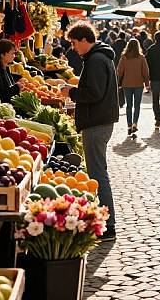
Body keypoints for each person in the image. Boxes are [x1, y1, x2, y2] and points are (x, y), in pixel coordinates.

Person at [59, 21, 119, 241]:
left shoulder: (96, 60)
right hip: (100, 121)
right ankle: (104, 220)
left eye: (74, 43)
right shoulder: (99, 58)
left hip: (96, 123)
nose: (74, 48)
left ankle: (108, 225)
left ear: (85, 40)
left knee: (98, 174)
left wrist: (71, 92)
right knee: (98, 171)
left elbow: (93, 93)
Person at [117, 39, 150, 136]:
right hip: (138, 84)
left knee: (129, 105)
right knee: (137, 105)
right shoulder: (141, 58)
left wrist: (118, 82)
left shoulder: (124, 57)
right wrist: (147, 83)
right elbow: (145, 72)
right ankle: (135, 123)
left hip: (126, 84)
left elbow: (119, 71)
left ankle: (129, 125)